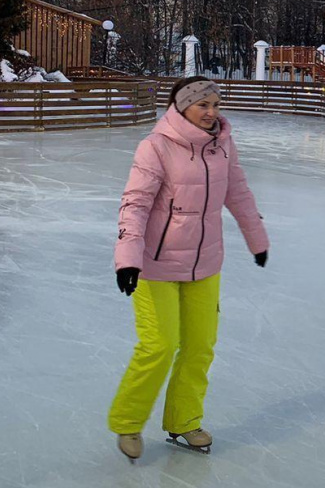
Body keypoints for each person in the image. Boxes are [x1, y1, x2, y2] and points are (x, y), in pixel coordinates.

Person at [108, 76, 269, 463]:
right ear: (182, 107)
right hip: (155, 264)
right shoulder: (156, 147)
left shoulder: (223, 145)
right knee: (160, 345)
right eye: (203, 105)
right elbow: (135, 204)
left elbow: (239, 193)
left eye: (216, 104)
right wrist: (128, 258)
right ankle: (128, 422)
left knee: (199, 347)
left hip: (205, 263)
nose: (212, 112)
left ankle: (184, 421)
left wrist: (257, 239)